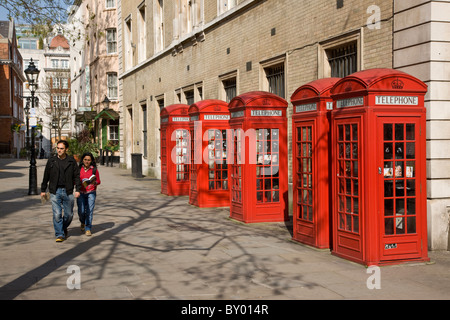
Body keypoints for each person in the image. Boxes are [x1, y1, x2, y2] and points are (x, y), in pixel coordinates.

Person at [41, 140, 81, 242]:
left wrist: (78, 190)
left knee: (69, 215)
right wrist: (43, 190)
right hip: (54, 191)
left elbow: (77, 176)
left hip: (68, 191)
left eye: (61, 148)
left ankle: (62, 228)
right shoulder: (51, 160)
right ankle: (59, 234)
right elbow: (46, 176)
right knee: (57, 214)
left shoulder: (71, 161)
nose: (59, 150)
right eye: (58, 148)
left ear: (66, 149)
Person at [77, 152, 101, 236]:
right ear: (82, 160)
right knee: (81, 211)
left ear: (91, 161)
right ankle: (82, 222)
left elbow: (98, 181)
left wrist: (94, 182)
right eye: (85, 160)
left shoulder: (94, 169)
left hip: (91, 192)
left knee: (89, 211)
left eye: (89, 160)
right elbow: (75, 180)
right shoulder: (78, 169)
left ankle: (88, 228)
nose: (87, 161)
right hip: (81, 192)